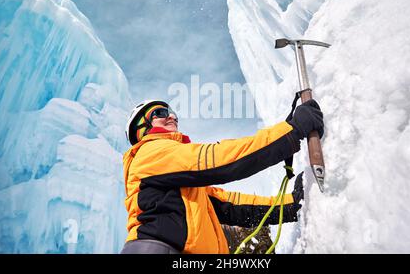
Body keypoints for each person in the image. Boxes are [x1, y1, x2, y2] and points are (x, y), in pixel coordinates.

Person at [120, 99, 324, 254]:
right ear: (141, 127)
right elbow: (219, 159)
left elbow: (229, 205)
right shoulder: (150, 151)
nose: (172, 116)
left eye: (173, 113)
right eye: (161, 112)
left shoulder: (182, 184)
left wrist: (289, 206)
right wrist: (291, 131)